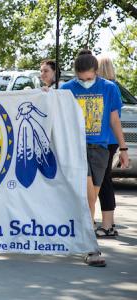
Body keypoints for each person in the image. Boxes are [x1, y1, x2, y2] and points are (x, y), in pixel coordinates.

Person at [61, 49, 129, 267]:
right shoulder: (67, 89)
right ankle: (91, 247)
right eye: (81, 78)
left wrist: (123, 148)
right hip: (75, 148)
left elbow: (114, 120)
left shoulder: (109, 88)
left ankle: (84, 240)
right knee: (88, 196)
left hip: (100, 149)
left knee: (91, 197)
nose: (85, 81)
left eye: (89, 77)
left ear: (96, 71)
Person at [95, 56, 122, 238]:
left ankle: (107, 225)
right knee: (106, 180)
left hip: (106, 139)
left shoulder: (107, 88)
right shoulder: (115, 87)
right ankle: (110, 223)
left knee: (103, 181)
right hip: (111, 140)